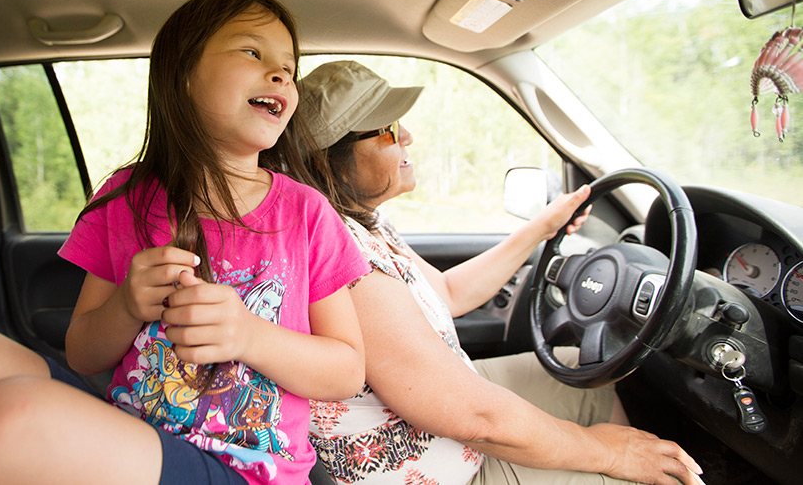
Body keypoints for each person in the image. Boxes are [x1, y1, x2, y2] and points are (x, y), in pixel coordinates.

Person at [0, 0, 369, 485]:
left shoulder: (305, 212)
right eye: (253, 53)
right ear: (181, 76)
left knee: (1, 427)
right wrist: (128, 306)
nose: (279, 75)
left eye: (289, 68)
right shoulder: (126, 196)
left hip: (247, 468)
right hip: (132, 427)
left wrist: (250, 336)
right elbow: (84, 352)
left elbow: (346, 370)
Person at [291, 60, 704, 485]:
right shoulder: (347, 261)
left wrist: (543, 227)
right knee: (639, 474)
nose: (408, 136)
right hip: (441, 467)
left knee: (583, 371)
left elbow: (449, 292)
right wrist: (607, 454)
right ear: (331, 162)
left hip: (445, 409)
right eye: (389, 129)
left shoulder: (363, 222)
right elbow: (475, 416)